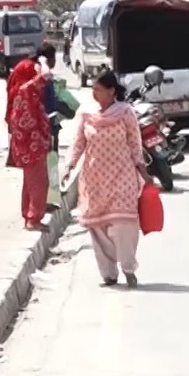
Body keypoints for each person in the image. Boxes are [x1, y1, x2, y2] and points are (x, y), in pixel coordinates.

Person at [63, 71, 147, 288]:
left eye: (98, 89)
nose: (94, 93)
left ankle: (128, 267)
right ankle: (108, 273)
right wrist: (69, 166)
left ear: (111, 91)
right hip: (95, 178)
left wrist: (143, 171)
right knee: (98, 227)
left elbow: (135, 143)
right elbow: (79, 142)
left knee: (123, 225)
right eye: (92, 89)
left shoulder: (126, 112)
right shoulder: (86, 114)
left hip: (123, 176)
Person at [4, 46, 55, 231]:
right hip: (32, 144)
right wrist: (42, 62)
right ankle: (33, 219)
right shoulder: (27, 91)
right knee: (40, 182)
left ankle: (29, 214)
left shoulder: (19, 95)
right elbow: (46, 75)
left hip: (27, 144)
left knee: (30, 182)